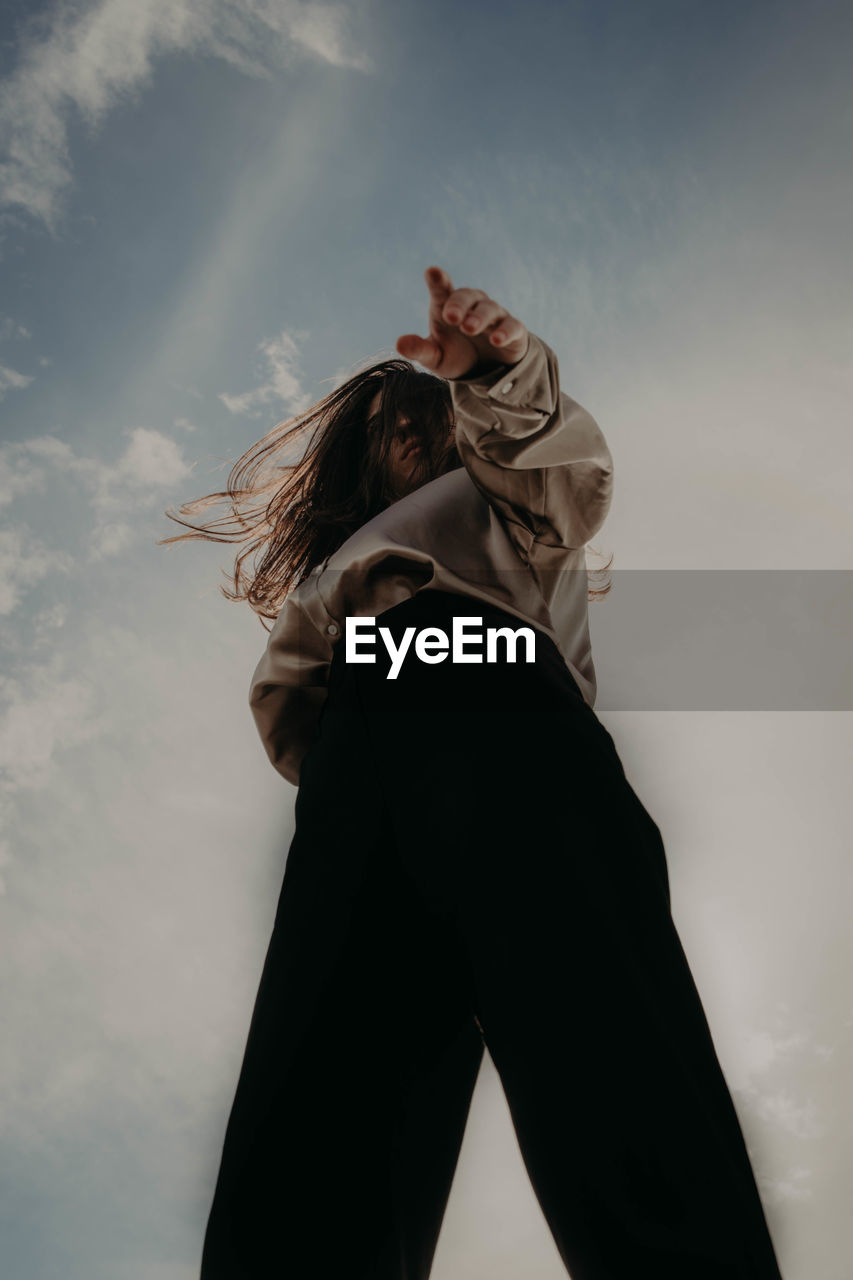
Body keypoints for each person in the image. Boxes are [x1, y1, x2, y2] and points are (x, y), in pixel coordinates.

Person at [163, 266, 785, 1279]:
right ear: (360, 453)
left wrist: (497, 373)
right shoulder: (340, 571)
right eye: (393, 427)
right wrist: (346, 772)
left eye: (426, 421)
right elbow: (296, 709)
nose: (414, 439)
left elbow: (540, 447)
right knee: (323, 1098)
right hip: (360, 749)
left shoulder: (507, 505)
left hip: (497, 696)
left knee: (606, 1039)